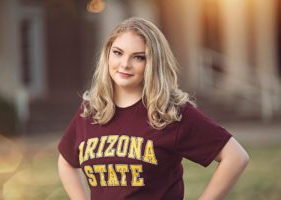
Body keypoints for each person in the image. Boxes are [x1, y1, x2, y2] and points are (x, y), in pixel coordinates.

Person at [58, 17, 249, 200]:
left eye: (138, 57)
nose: (124, 64)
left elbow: (235, 157)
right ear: (107, 54)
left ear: (153, 63)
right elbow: (66, 162)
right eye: (118, 53)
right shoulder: (92, 109)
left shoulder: (171, 112)